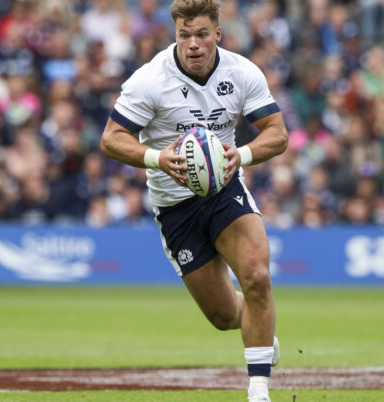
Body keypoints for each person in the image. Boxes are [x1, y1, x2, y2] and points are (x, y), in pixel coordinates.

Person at [99, 1, 288, 401]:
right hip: (175, 207)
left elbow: (278, 133)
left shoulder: (242, 72)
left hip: (224, 191)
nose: (193, 44)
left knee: (257, 276)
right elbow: (111, 139)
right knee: (223, 315)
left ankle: (258, 389)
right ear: (176, 36)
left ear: (217, 34)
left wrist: (243, 155)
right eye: (184, 36)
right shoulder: (150, 80)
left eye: (201, 35)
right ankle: (261, 326)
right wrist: (157, 158)